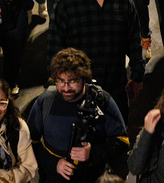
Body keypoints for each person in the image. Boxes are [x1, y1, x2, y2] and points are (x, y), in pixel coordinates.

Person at [48, 0, 145, 123]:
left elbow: (133, 40)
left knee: (117, 137)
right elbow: (55, 48)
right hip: (79, 88)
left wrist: (138, 76)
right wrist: (63, 83)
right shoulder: (65, 3)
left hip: (115, 85)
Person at [27, 48, 130, 183]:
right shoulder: (45, 101)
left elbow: (122, 141)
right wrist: (55, 164)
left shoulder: (102, 100)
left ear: (83, 78)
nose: (66, 88)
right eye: (61, 81)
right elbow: (28, 143)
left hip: (92, 176)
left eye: (73, 81)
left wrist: (93, 153)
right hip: (53, 177)